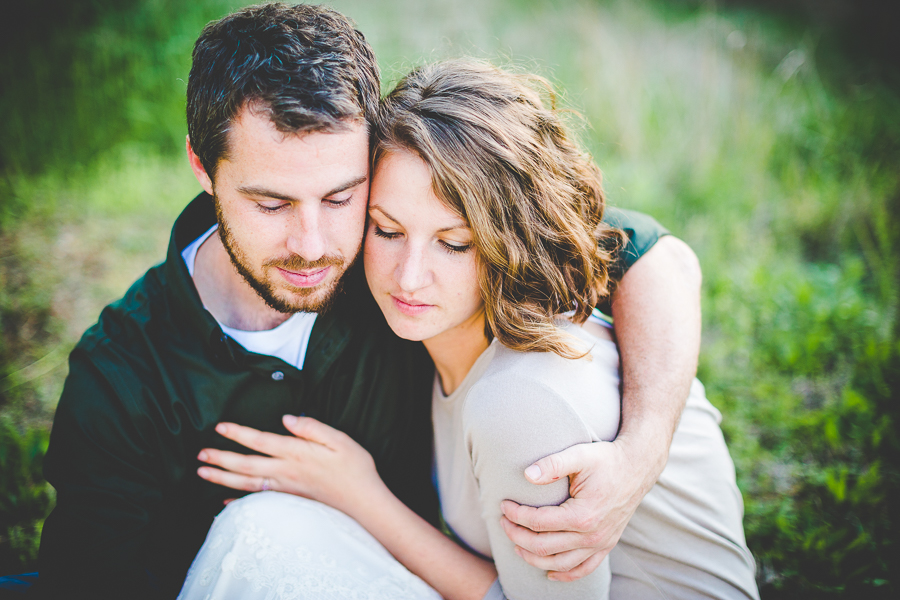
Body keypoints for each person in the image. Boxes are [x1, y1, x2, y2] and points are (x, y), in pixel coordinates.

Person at [32, 3, 714, 598]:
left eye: (340, 196)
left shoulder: (396, 250)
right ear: (202, 168)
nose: (312, 244)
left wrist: (641, 453)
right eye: (271, 202)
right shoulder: (122, 378)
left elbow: (655, 256)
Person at [181, 59, 759, 600]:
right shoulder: (441, 340)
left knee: (263, 536)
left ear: (512, 241)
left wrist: (361, 495)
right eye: (386, 230)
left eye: (454, 244)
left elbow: (662, 255)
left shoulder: (522, 395)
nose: (409, 277)